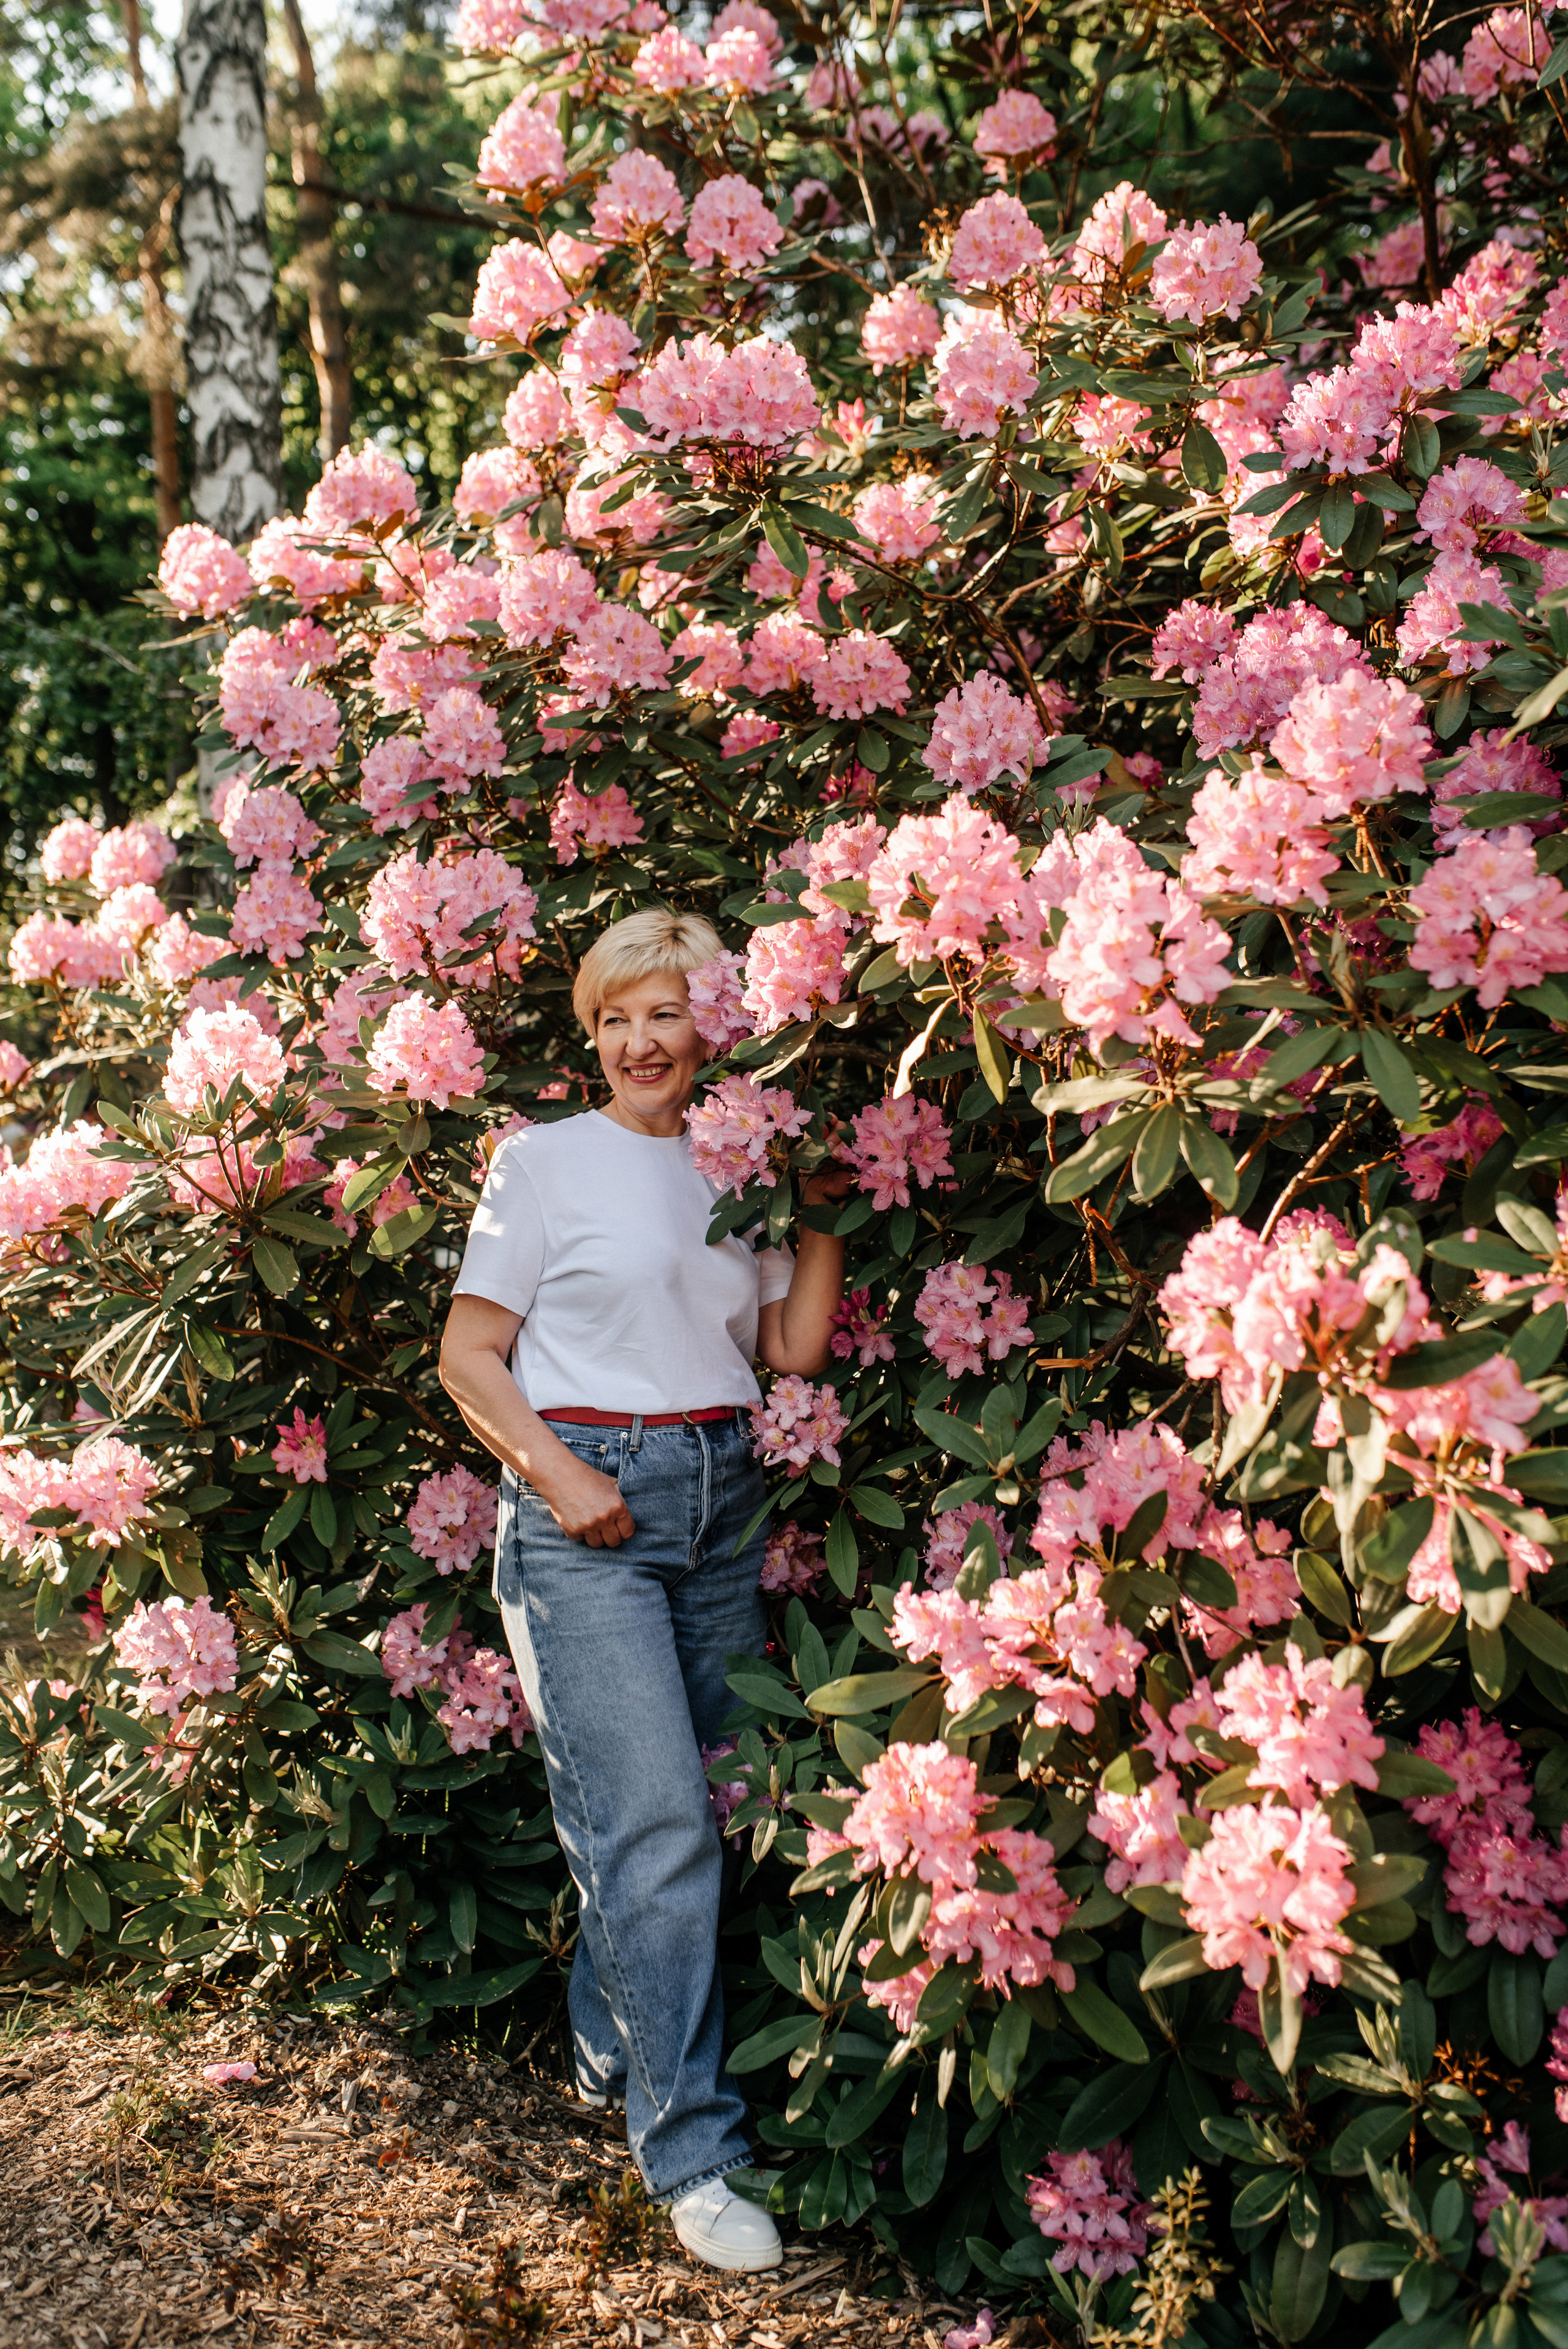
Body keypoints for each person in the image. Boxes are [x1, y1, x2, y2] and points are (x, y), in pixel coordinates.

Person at [439, 906, 849, 2273]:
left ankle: (609, 2051)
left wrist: (825, 1208)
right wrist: (560, 1480)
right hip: (585, 1516)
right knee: (658, 1819)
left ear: (710, 1026)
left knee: (701, 1810)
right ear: (589, 1034)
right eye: (612, 1018)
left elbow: (787, 1345)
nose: (637, 1043)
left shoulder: (740, 1170)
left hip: (720, 1499)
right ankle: (693, 2156)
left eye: (663, 1013)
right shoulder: (543, 1163)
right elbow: (468, 1355)